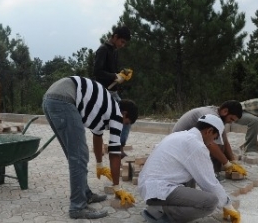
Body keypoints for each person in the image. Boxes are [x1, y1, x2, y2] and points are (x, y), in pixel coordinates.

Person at [42, 76, 138, 220]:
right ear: (124, 114)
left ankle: (86, 195)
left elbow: (97, 137)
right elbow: (114, 153)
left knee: (75, 155)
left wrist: (99, 164)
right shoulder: (116, 114)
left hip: (51, 98)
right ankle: (77, 207)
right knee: (80, 156)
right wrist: (117, 187)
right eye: (126, 123)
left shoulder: (104, 108)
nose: (123, 126)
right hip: (64, 100)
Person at [138, 115, 241, 223]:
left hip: (148, 186)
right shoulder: (196, 145)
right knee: (211, 202)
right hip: (159, 189)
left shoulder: (179, 135)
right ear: (209, 131)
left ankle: (160, 207)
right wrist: (227, 205)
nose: (212, 142)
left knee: (192, 177)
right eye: (214, 138)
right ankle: (161, 214)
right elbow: (209, 183)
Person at [171, 101, 247, 178]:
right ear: (225, 111)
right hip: (179, 147)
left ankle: (213, 170)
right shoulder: (211, 116)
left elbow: (224, 140)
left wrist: (233, 161)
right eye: (231, 119)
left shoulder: (217, 115)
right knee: (215, 146)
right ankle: (208, 174)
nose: (231, 122)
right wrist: (227, 164)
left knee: (220, 144)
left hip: (188, 140)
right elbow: (211, 144)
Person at [93, 25, 133, 157]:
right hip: (104, 92)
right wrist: (114, 76)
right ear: (115, 37)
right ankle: (115, 148)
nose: (122, 45)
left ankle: (118, 147)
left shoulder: (114, 51)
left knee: (127, 119)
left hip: (113, 92)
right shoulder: (103, 50)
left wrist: (122, 74)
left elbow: (111, 71)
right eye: (122, 41)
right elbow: (97, 72)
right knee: (122, 119)